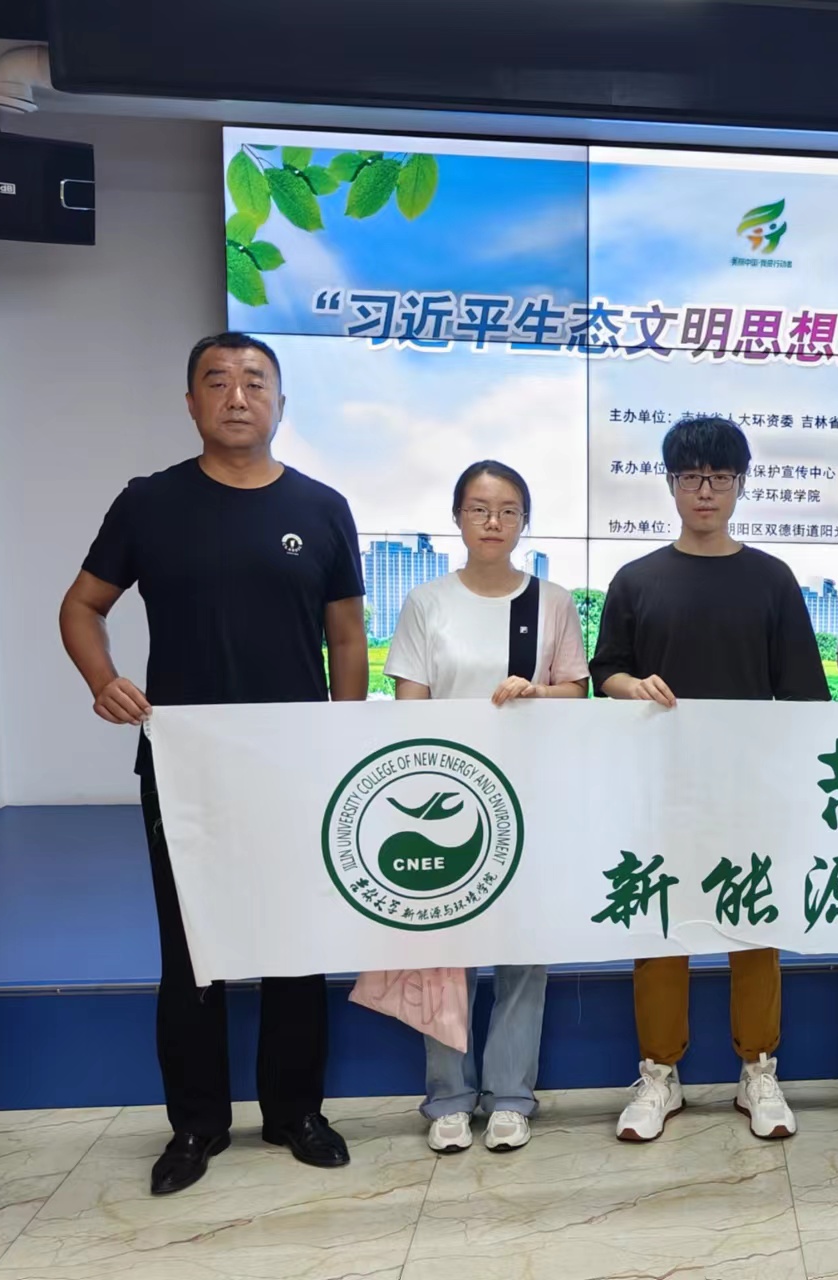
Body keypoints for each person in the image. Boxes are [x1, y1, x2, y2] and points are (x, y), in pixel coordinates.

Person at [58, 332, 368, 1196]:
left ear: (280, 404)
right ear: (191, 402)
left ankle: (296, 1113)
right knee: (190, 946)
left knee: (296, 940)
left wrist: (342, 739)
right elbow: (82, 607)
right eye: (218, 381)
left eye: (255, 381)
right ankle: (196, 1125)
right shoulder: (149, 503)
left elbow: (347, 636)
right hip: (185, 765)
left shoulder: (322, 507)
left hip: (294, 765)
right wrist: (103, 680)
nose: (237, 396)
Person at [589, 415, 829, 1143]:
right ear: (670, 483)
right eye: (691, 477)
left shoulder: (772, 580)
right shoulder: (636, 580)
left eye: (719, 477)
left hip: (750, 793)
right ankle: (659, 1074)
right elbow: (606, 671)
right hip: (661, 791)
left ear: (740, 485)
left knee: (754, 928)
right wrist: (630, 686)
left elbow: (804, 696)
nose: (705, 491)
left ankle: (758, 1070)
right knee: (662, 929)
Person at [365, 460, 588, 1155]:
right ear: (457, 517)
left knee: (524, 952)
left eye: (508, 510)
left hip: (529, 795)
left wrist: (536, 694)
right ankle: (449, 1097)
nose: (494, 522)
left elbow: (576, 693)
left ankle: (512, 1094)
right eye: (480, 509)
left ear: (525, 522)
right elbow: (410, 706)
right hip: (443, 802)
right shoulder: (426, 602)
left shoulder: (551, 602)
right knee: (443, 950)